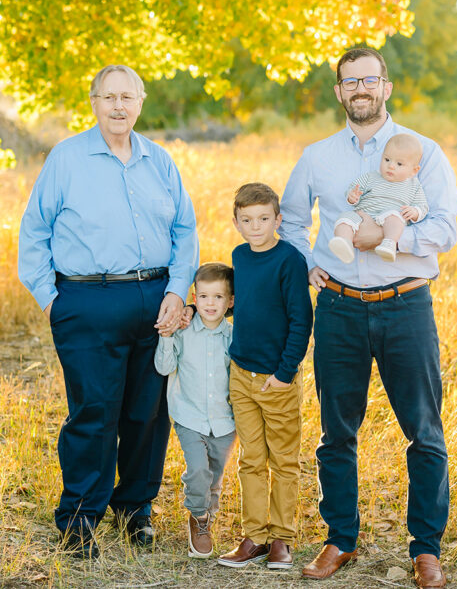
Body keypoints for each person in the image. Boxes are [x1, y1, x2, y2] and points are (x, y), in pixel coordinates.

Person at [280, 47, 457, 589]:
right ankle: (341, 538)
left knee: (424, 432)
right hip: (337, 307)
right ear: (339, 91)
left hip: (405, 303)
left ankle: (425, 550)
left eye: (370, 79)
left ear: (385, 86)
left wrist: (383, 237)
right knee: (336, 433)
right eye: (349, 81)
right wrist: (308, 262)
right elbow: (291, 219)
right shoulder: (317, 156)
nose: (360, 88)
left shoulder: (423, 152)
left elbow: (446, 228)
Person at [18, 64, 198, 560]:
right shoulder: (67, 159)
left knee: (148, 413)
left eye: (128, 97)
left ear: (140, 103)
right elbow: (34, 231)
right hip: (86, 301)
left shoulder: (159, 161)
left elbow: (185, 230)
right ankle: (79, 518)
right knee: (94, 412)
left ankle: (134, 507)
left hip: (157, 300)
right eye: (109, 97)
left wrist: (178, 290)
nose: (119, 106)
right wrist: (53, 301)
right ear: (94, 102)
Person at [216, 183, 313, 572]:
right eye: (247, 220)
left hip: (277, 379)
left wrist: (285, 373)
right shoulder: (239, 256)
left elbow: (300, 319)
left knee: (284, 461)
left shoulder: (289, 260)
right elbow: (240, 307)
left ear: (278, 219)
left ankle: (282, 540)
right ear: (236, 222)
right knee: (251, 459)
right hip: (241, 374)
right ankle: (255, 536)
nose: (255, 227)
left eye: (263, 219)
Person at [154, 262, 237, 560]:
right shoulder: (183, 330)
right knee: (199, 470)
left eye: (218, 297)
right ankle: (199, 517)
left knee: (214, 476)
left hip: (225, 420)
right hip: (189, 415)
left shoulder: (233, 335)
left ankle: (207, 514)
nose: (210, 304)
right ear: (194, 296)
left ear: (230, 301)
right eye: (203, 297)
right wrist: (166, 336)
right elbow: (164, 367)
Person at [329, 132, 429, 264]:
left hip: (389, 216)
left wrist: (415, 212)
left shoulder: (414, 185)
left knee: (395, 217)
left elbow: (423, 206)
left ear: (414, 170)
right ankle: (344, 244)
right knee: (345, 219)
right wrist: (352, 196)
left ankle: (389, 243)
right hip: (363, 214)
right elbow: (354, 188)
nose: (391, 166)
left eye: (399, 164)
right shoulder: (371, 177)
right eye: (387, 160)